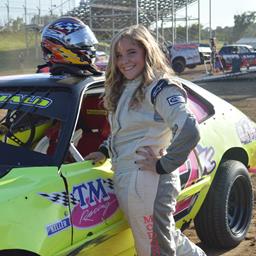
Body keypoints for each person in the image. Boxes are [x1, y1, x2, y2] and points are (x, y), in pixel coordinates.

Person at [85, 24, 206, 256]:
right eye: (119, 55)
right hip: (130, 178)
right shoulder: (124, 87)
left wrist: (164, 164)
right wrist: (105, 150)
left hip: (148, 180)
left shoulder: (159, 87)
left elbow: (190, 130)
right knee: (166, 239)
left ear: (146, 52)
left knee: (153, 249)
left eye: (132, 52)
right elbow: (127, 132)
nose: (124, 61)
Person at [37, 16, 101, 76]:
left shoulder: (91, 72)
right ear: (56, 44)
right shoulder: (44, 75)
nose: (86, 44)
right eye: (77, 39)